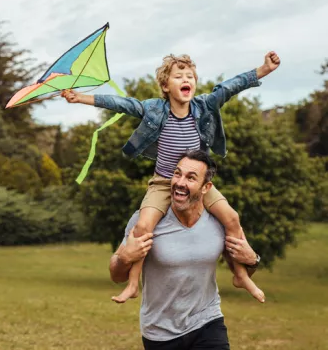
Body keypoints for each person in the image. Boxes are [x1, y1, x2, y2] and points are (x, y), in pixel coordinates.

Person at [62, 51, 280, 303]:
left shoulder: (204, 105)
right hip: (163, 181)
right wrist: (81, 98)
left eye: (190, 76)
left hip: (197, 184)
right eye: (178, 76)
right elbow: (122, 103)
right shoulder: (155, 110)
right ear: (166, 86)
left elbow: (231, 85)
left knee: (232, 218)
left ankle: (241, 275)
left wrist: (263, 69)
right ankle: (133, 284)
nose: (186, 79)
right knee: (142, 227)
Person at [109, 150, 261, 350]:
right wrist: (125, 258)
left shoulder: (218, 222)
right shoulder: (146, 221)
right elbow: (116, 275)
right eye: (177, 174)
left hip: (207, 321)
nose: (180, 183)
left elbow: (241, 271)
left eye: (191, 178)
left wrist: (252, 259)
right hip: (160, 332)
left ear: (206, 187)